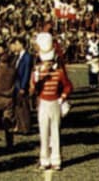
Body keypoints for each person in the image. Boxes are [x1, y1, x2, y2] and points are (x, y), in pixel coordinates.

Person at [30, 32, 73, 171]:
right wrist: (37, 77)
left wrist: (62, 98)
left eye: (49, 62)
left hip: (55, 102)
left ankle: (56, 160)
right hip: (43, 103)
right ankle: (44, 160)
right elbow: (33, 89)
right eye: (45, 61)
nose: (47, 64)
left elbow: (68, 86)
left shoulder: (58, 72)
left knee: (55, 132)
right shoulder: (37, 72)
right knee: (43, 132)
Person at [13, 37, 32, 134]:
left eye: (16, 44)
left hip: (21, 85)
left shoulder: (27, 56)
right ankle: (20, 125)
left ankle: (26, 127)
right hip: (17, 84)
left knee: (24, 106)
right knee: (18, 107)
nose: (15, 46)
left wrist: (23, 86)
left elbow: (26, 72)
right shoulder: (19, 56)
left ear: (21, 44)